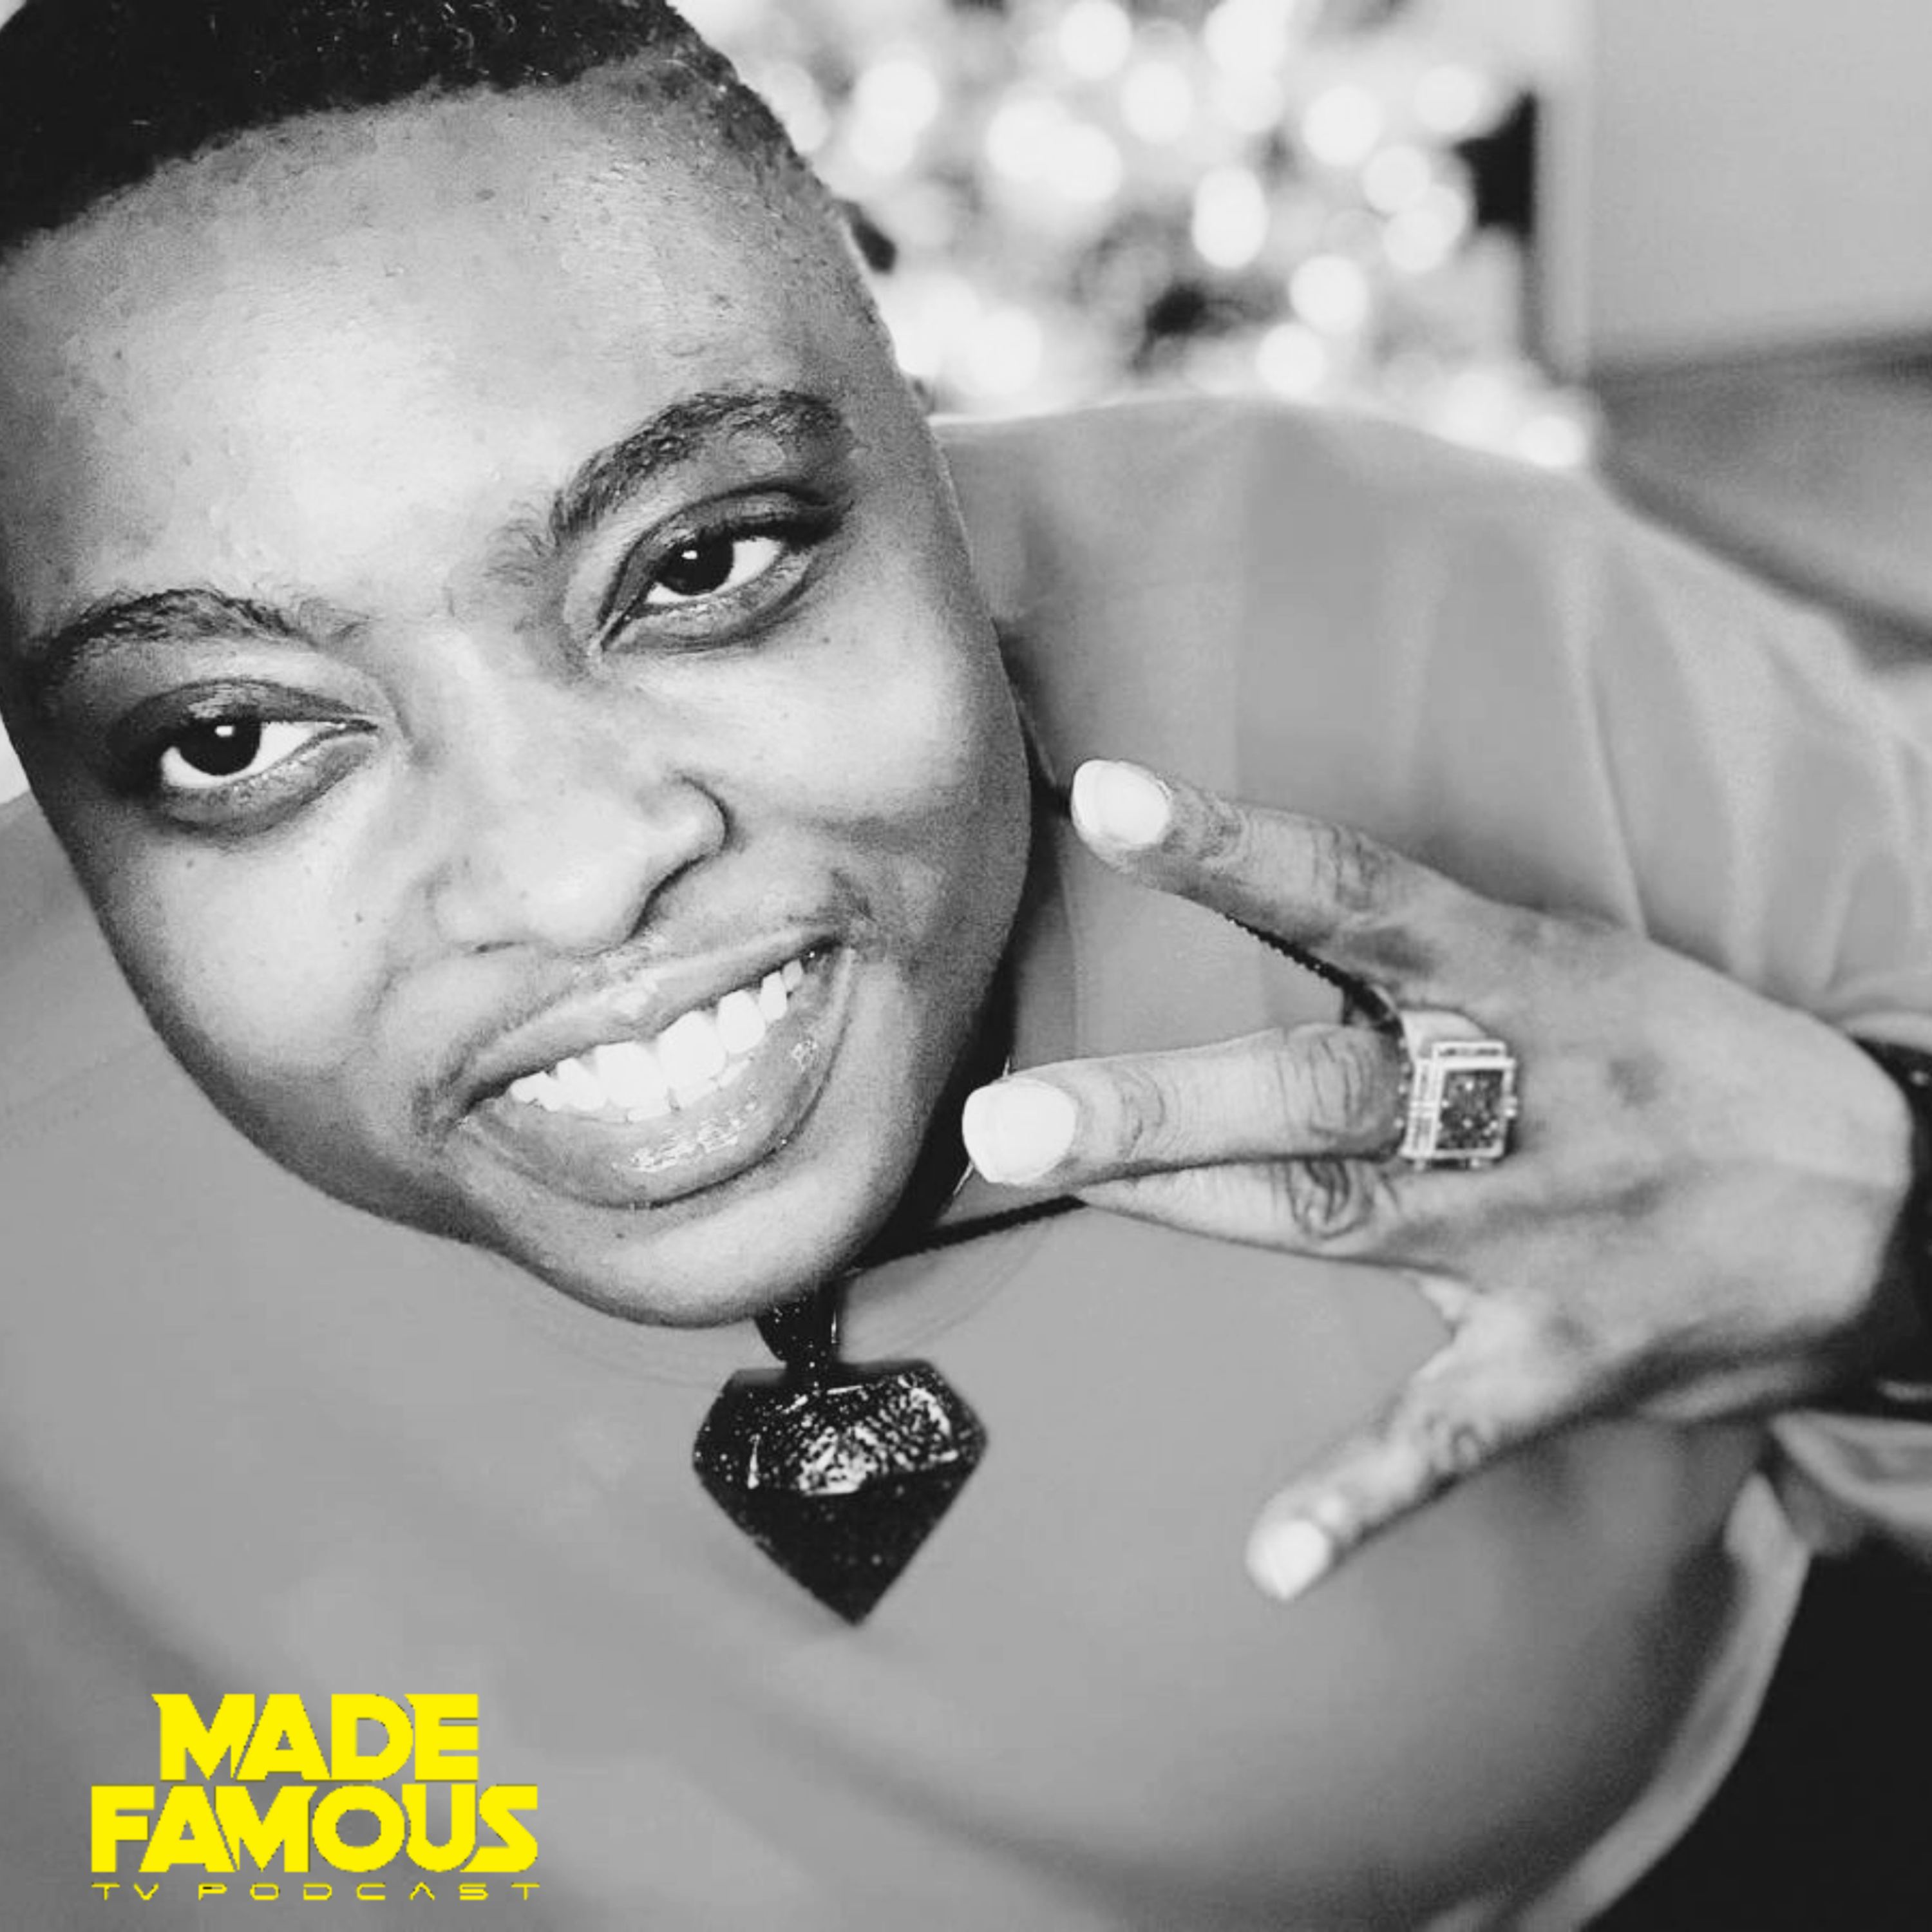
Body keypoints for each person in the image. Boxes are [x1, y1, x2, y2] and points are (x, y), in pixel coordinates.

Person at [4, 2, 1932, 1925]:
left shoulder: (1457, 620)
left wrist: (1895, 1240)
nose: (576, 878)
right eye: (229, 738)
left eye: (701, 566)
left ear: (931, 446)